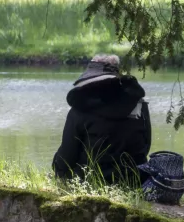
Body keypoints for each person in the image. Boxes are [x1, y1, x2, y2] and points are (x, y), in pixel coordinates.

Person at [53, 54, 151, 185]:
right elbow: (145, 146)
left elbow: (67, 156)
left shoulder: (80, 110)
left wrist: (57, 169)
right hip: (134, 180)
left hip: (91, 180)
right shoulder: (139, 105)